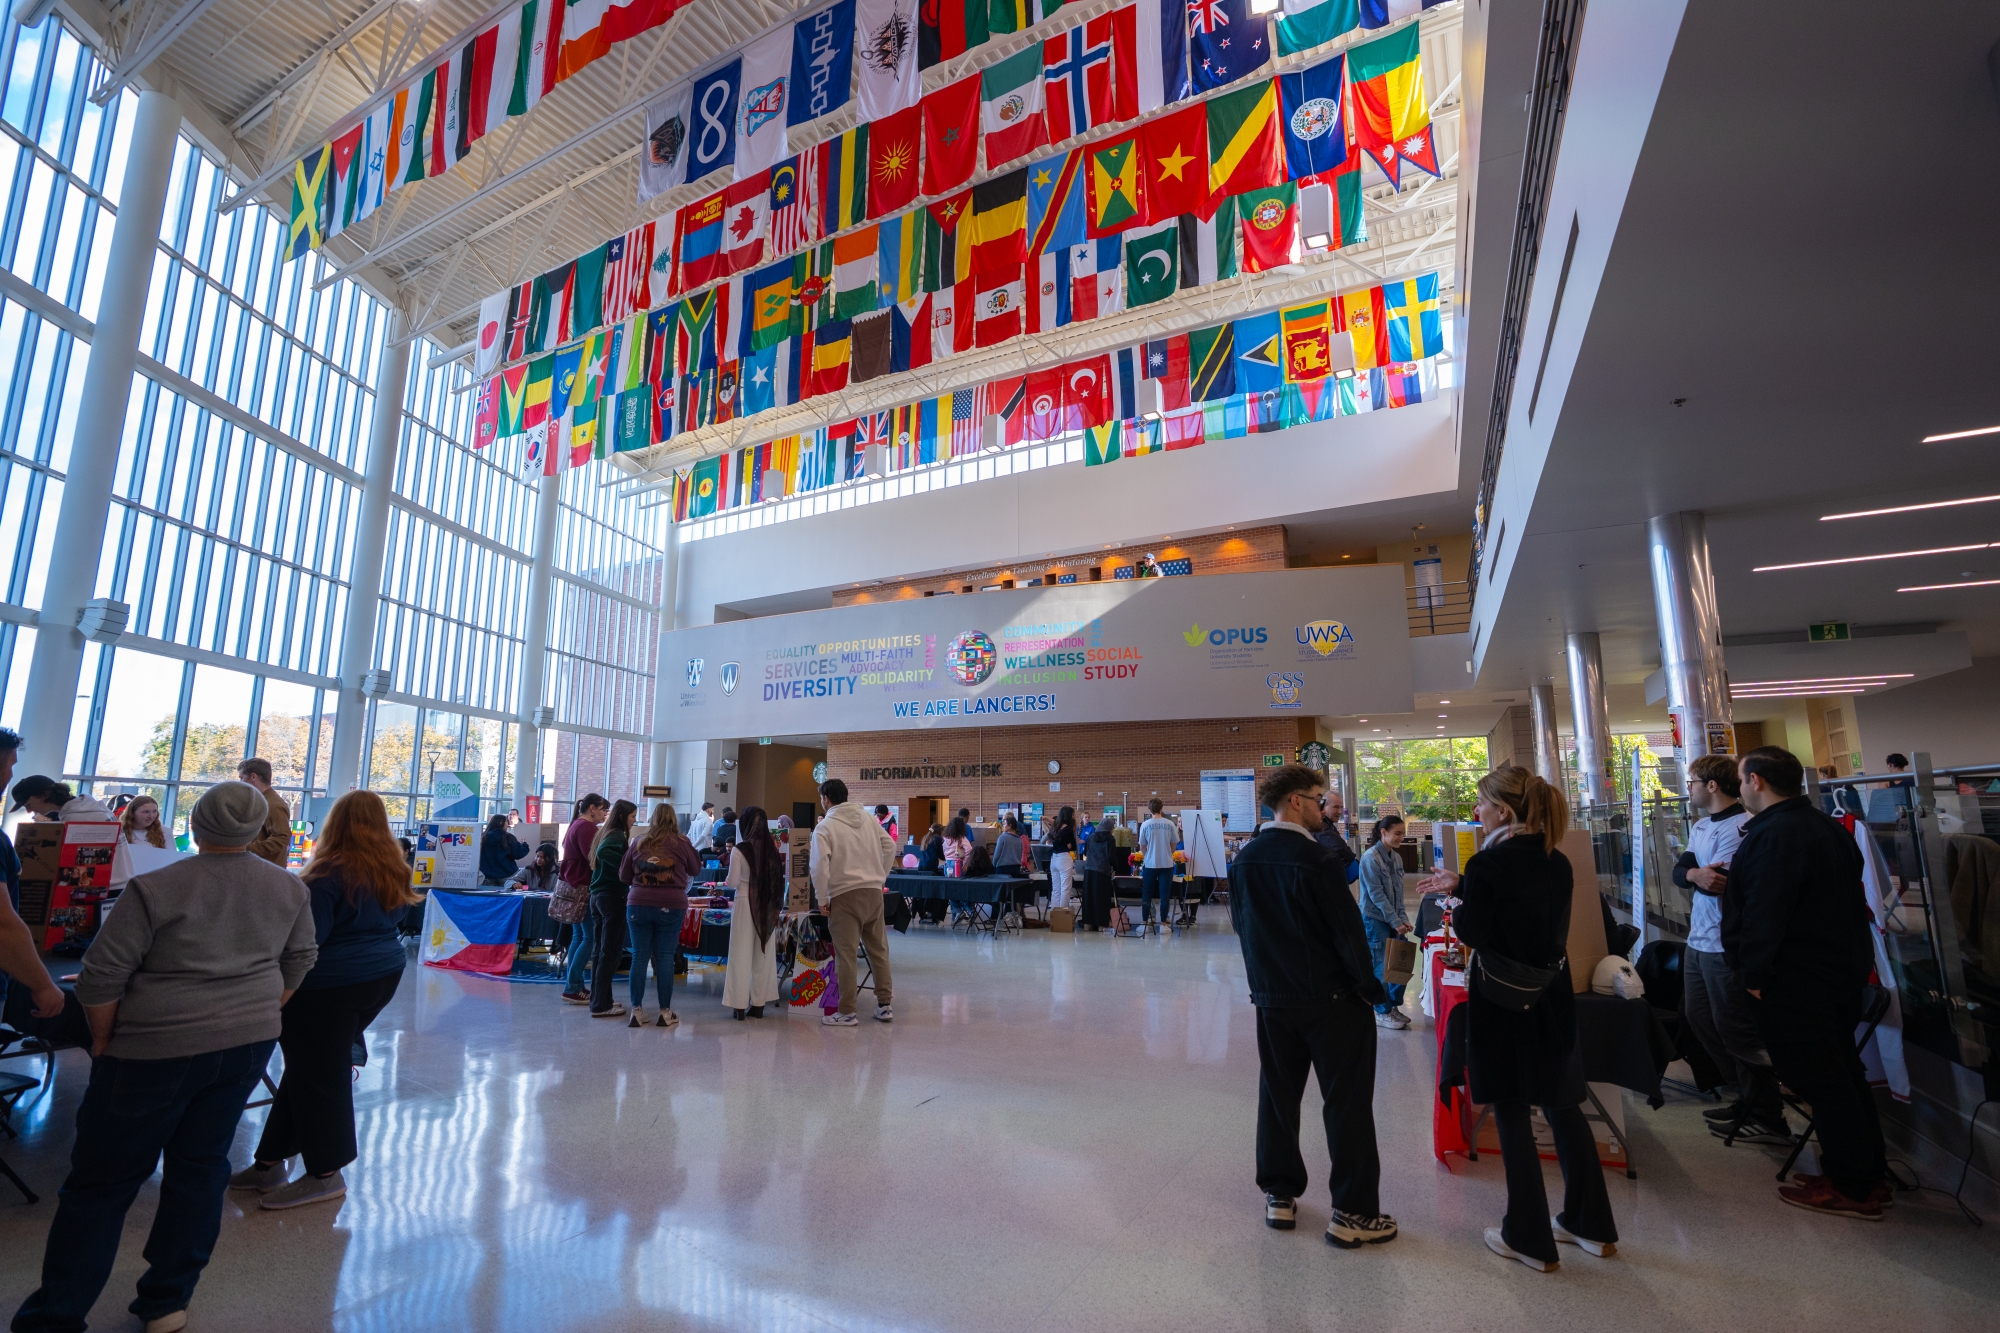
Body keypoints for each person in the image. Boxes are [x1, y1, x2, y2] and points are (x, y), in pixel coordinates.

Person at [13, 782, 317, 1333]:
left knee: (101, 1185)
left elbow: (101, 978)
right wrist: (258, 1009)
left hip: (155, 1047)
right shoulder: (288, 888)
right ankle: (167, 1303)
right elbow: (301, 958)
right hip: (245, 1047)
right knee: (200, 1171)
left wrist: (103, 1040)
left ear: (195, 826)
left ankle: (57, 1315)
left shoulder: (156, 888)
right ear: (256, 831)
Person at [1431, 764, 1617, 1273]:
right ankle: (1590, 1223)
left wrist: (1460, 894)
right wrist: (1467, 882)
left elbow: (1475, 930)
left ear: (1504, 811)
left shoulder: (1492, 865)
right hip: (1550, 994)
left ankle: (1529, 1235)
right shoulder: (1555, 860)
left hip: (1501, 999)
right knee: (1563, 1105)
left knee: (1511, 1108)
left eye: (1482, 804)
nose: (1477, 812)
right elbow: (1526, 910)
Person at [1228, 764, 1394, 1247]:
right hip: (1332, 1002)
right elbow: (1348, 936)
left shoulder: (1244, 861)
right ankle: (1354, 1212)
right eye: (1320, 800)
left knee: (1278, 1096)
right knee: (1346, 1104)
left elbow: (1244, 930)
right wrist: (1372, 990)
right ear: (1295, 802)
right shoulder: (1317, 861)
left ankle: (1279, 1195)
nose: (1326, 810)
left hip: (1273, 1000)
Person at [230, 790, 417, 1211]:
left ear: (334, 823)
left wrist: (277, 991)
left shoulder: (325, 877)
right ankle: (269, 1163)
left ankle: (325, 1174)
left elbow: (304, 945)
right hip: (383, 974)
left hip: (328, 985)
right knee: (310, 1069)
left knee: (319, 1074)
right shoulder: (392, 869)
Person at [1725, 745, 1886, 1219]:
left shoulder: (1780, 834)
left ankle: (1853, 1187)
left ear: (1756, 781)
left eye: (1741, 779)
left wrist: (1754, 976)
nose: (1739, 787)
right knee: (1842, 1076)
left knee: (1823, 1080)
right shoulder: (1819, 825)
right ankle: (1863, 1174)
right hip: (1833, 973)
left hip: (1798, 980)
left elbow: (1766, 910)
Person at [1672, 755, 1785, 1144]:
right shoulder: (1702, 825)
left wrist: (1698, 876)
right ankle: (1743, 1097)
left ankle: (1768, 1114)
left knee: (1736, 1029)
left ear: (1712, 785)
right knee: (1700, 1020)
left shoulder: (1742, 827)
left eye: (1692, 783)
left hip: (1724, 945)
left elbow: (1717, 882)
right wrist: (1692, 873)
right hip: (1698, 941)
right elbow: (1682, 871)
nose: (1690, 790)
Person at [809, 778, 896, 1027]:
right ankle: (885, 1005)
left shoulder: (825, 827)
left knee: (846, 955)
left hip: (844, 894)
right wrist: (881, 875)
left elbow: (818, 866)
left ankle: (847, 1012)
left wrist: (822, 898)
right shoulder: (868, 818)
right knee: (879, 950)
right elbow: (889, 845)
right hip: (873, 892)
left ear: (826, 799)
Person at [621, 803, 699, 1027]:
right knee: (664, 957)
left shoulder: (638, 841)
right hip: (671, 904)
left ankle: (636, 1009)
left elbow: (623, 874)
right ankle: (665, 1012)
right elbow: (695, 868)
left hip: (637, 904)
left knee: (639, 955)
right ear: (673, 820)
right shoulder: (682, 842)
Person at [721, 806, 785, 1020]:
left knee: (740, 954)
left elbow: (732, 882)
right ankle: (759, 1004)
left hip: (743, 902)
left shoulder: (740, 849)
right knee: (763, 955)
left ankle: (738, 1006)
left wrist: (725, 883)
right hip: (766, 906)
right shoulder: (772, 850)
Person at [1358, 816, 1416, 1029]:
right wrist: (1394, 921)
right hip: (1375, 919)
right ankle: (1382, 1010)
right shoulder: (1370, 858)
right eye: (1397, 833)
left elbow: (1398, 893)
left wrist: (1403, 919)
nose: (1402, 837)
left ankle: (1393, 1006)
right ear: (1383, 832)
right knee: (1381, 965)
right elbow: (1377, 895)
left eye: (1403, 833)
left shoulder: (1397, 858)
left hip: (1393, 919)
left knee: (1399, 964)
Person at [588, 799, 639, 1018]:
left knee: (601, 952)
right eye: (632, 817)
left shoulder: (605, 832)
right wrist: (626, 867)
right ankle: (601, 1004)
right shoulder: (616, 835)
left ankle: (600, 1000)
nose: (634, 821)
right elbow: (604, 853)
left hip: (598, 896)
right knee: (609, 953)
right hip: (611, 896)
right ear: (622, 817)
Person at [554, 794, 608, 1004]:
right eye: (603, 809)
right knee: (589, 938)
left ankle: (573, 985)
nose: (605, 814)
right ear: (592, 808)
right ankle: (573, 986)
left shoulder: (575, 825)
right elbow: (593, 858)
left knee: (579, 937)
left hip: (573, 885)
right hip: (583, 887)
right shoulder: (587, 828)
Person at [237, 758, 292, 869]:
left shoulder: (272, 805)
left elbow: (281, 838)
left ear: (253, 777)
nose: (240, 783)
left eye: (241, 778)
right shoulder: (262, 801)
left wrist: (244, 848)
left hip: (266, 873)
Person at [1137, 800, 1179, 934]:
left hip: (1150, 864)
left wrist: (1148, 855)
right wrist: (1167, 854)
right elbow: (1174, 845)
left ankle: (1145, 923)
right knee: (1164, 895)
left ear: (1149, 810)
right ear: (1162, 808)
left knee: (1147, 894)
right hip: (1166, 864)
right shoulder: (1170, 824)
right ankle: (1163, 925)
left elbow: (1142, 846)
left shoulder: (1145, 824)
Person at [9, 775, 114, 823]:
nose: (28, 811)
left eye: (28, 805)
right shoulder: (95, 807)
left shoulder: (73, 819)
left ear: (44, 795)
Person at [1317, 790, 1358, 885]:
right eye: (1335, 807)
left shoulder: (1328, 825)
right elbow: (1338, 846)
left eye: (1341, 807)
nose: (1340, 811)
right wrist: (1352, 859)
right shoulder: (1320, 825)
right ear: (1323, 807)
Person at [1081, 819, 1116, 931]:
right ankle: (1101, 924)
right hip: (1102, 871)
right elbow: (1111, 856)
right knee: (1101, 897)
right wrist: (1116, 867)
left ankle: (1087, 923)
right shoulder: (1110, 839)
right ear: (1109, 828)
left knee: (1088, 897)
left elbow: (1085, 852)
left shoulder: (1091, 837)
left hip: (1088, 870)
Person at [478, 812, 529, 887]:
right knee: (507, 897)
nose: (507, 824)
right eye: (506, 821)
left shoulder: (483, 838)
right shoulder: (508, 837)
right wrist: (524, 845)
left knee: (490, 897)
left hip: (488, 875)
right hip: (507, 874)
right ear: (501, 823)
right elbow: (517, 854)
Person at [1047, 806, 1078, 912]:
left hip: (1054, 858)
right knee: (1065, 888)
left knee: (1056, 889)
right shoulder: (1068, 829)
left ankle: (1053, 913)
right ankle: (1062, 913)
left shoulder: (1055, 827)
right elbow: (1072, 846)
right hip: (1064, 858)